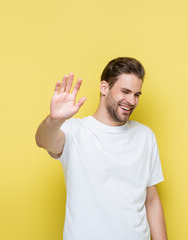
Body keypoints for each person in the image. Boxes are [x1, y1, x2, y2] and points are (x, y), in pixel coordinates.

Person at [35, 57, 168, 240]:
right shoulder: (75, 132)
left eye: (137, 94)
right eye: (125, 91)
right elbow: (44, 140)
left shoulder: (145, 136)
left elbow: (151, 200)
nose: (131, 100)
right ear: (104, 87)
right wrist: (54, 120)